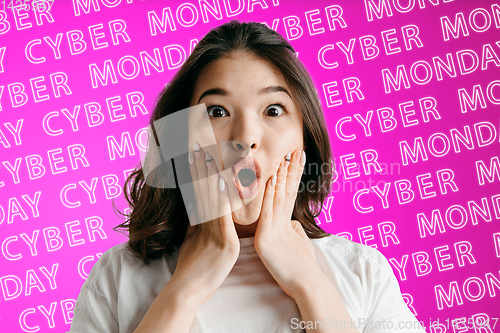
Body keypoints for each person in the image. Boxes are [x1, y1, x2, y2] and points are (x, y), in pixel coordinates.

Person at [69, 20, 426, 333]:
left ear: (305, 139)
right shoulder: (118, 278)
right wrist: (188, 286)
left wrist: (310, 285)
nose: (245, 138)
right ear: (180, 138)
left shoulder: (362, 272)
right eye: (217, 111)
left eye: (273, 109)